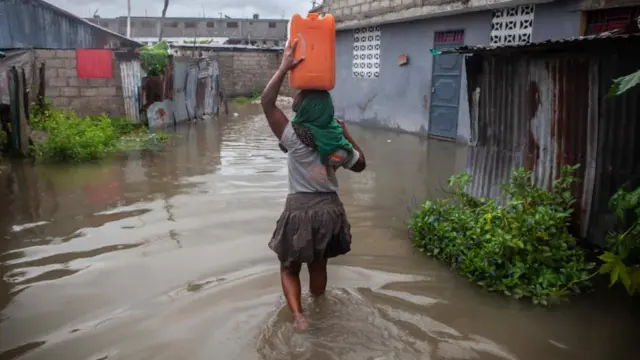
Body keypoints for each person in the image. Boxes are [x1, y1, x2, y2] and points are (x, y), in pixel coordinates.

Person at [260, 39, 367, 329]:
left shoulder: (294, 138)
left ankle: (298, 317)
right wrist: (347, 135)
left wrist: (284, 67)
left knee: (288, 267)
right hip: (329, 209)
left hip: (299, 209)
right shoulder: (338, 145)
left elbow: (266, 103)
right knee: (319, 264)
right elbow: (361, 165)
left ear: (305, 110)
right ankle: (320, 307)